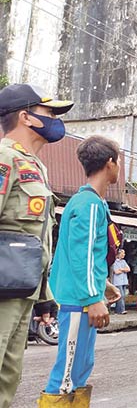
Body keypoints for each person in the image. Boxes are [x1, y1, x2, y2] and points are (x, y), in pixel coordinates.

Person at [0, 84, 74, 406]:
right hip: (3, 289)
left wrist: (45, 299)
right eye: (50, 113)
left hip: (23, 290)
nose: (55, 120)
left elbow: (36, 236)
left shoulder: (35, 166)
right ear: (25, 117)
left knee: (8, 375)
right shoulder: (5, 158)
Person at [39, 135, 122, 407]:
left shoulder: (85, 201)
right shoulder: (89, 205)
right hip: (79, 301)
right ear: (110, 163)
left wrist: (103, 284)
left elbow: (88, 255)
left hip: (82, 297)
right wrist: (92, 297)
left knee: (80, 367)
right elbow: (81, 254)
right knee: (67, 373)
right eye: (118, 162)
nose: (118, 168)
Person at [111, 249, 130, 315]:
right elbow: (116, 272)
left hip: (124, 280)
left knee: (123, 296)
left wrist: (121, 269)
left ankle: (118, 310)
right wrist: (124, 270)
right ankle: (122, 310)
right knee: (120, 295)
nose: (124, 254)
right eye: (122, 253)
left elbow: (128, 269)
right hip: (117, 281)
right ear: (119, 254)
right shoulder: (114, 262)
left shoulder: (124, 261)